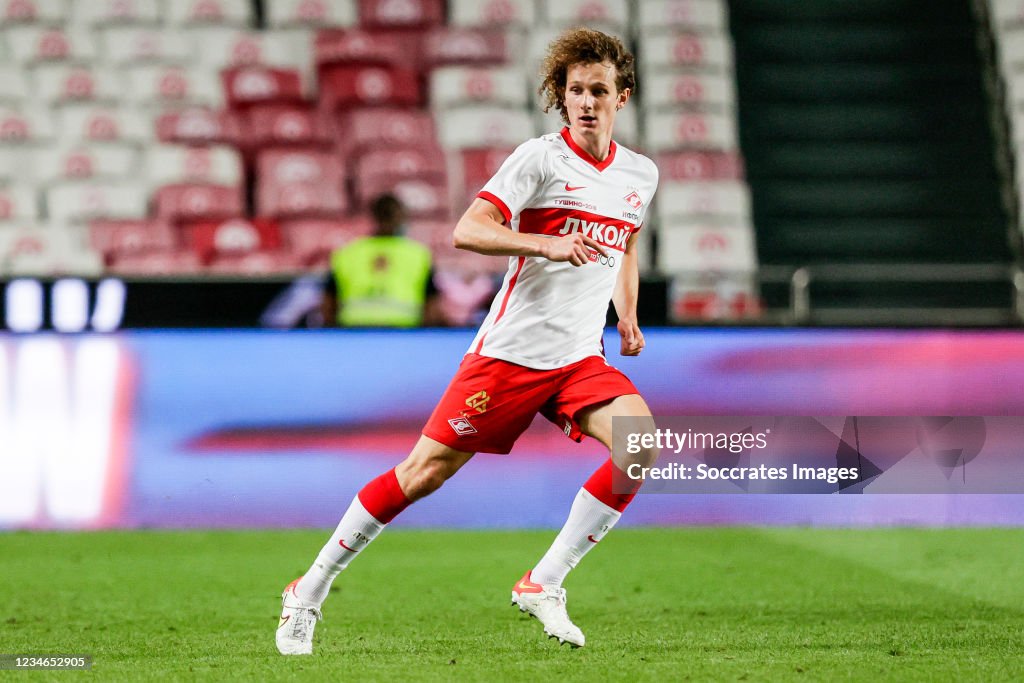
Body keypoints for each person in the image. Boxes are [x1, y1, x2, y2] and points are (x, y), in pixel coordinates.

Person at [277, 27, 660, 654]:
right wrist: (545, 242)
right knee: (423, 474)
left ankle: (545, 581)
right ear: (560, 98)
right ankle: (309, 588)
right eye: (574, 90)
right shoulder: (538, 159)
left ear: (623, 97)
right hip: (509, 355)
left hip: (578, 358)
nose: (586, 101)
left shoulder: (639, 174)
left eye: (598, 90)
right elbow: (467, 230)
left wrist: (628, 314)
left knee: (640, 446)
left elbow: (626, 244)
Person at [321, 193, 442, 327]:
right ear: (401, 218)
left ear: (373, 217)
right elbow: (431, 305)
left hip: (354, 333)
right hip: (405, 332)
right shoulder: (418, 254)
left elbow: (328, 303)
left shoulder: (347, 253)